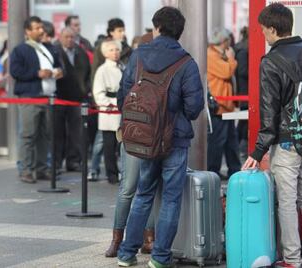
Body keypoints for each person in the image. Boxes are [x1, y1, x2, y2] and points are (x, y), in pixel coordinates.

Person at [242, 4, 302, 268]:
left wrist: (258, 151)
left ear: (272, 29)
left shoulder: (271, 61)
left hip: (287, 141)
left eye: (263, 31)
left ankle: (293, 260)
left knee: (287, 201)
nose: (263, 35)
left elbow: (269, 112)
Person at [117, 7, 204, 268]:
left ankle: (126, 253)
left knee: (143, 194)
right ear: (179, 32)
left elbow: (123, 93)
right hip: (174, 139)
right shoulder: (186, 62)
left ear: (156, 28)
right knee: (171, 198)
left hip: (144, 137)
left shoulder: (138, 55)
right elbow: (194, 106)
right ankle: (160, 257)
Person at [104, 33, 155, 259]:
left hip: (149, 133)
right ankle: (118, 238)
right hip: (135, 132)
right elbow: (121, 96)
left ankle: (147, 238)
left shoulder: (160, 67)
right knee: (130, 187)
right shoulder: (134, 65)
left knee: (143, 187)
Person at [9, 16, 63, 184]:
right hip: (30, 97)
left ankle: (41, 168)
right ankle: (26, 169)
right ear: (27, 31)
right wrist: (37, 74)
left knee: (45, 135)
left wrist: (59, 71)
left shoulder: (49, 48)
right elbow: (15, 72)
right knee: (28, 135)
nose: (41, 30)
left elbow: (59, 66)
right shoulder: (20, 50)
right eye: (37, 28)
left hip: (48, 98)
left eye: (41, 27)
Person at [54, 27, 91, 172]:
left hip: (77, 98)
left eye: (72, 37)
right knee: (58, 132)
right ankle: (56, 162)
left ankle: (73, 160)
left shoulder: (80, 52)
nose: (69, 40)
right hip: (59, 98)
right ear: (60, 37)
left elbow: (88, 73)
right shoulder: (55, 51)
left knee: (77, 132)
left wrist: (86, 90)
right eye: (66, 37)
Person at [207, 28, 241, 179]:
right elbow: (226, 72)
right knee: (217, 142)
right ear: (224, 41)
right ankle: (213, 172)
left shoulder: (217, 55)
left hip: (226, 107)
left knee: (230, 142)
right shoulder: (211, 56)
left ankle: (234, 170)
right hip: (219, 107)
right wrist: (232, 59)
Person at [92, 40, 122, 184]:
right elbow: (98, 94)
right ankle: (111, 174)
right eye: (111, 50)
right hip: (109, 111)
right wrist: (113, 103)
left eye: (117, 49)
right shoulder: (102, 70)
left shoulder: (122, 67)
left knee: (121, 144)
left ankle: (122, 171)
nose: (115, 52)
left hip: (121, 110)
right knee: (109, 145)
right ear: (104, 53)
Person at [91, 18, 132, 84]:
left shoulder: (128, 49)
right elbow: (95, 71)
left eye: (124, 30)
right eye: (119, 31)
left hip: (124, 86)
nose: (123, 33)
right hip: (106, 87)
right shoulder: (101, 48)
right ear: (111, 32)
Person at [234, 26, 249, 164]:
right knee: (244, 123)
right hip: (246, 91)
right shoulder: (244, 49)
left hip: (243, 90)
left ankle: (240, 150)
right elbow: (243, 71)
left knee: (243, 122)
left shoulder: (239, 47)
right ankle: (242, 150)